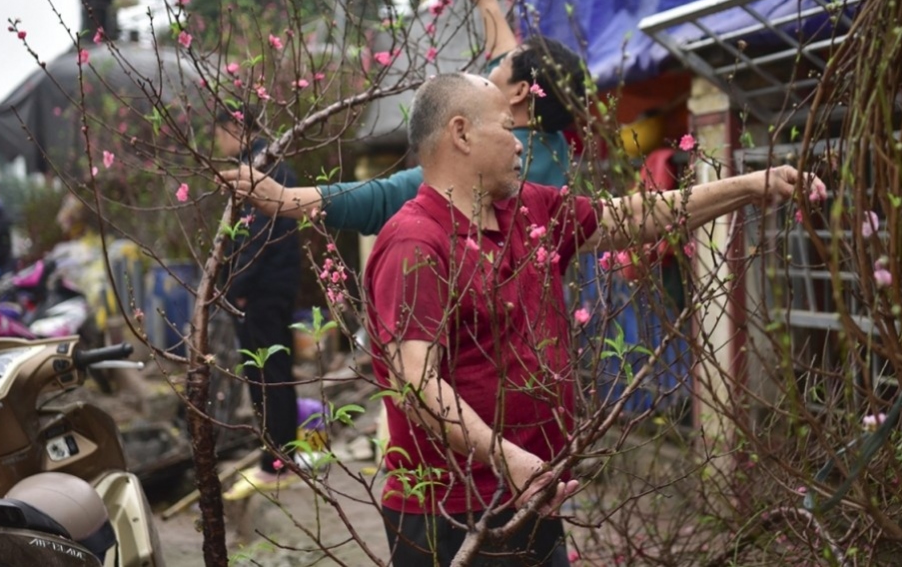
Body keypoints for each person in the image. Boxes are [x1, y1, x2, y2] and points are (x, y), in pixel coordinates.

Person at [351, 73, 823, 566]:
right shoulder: (415, 243)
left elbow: (631, 218)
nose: (520, 143)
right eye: (508, 128)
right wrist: (507, 458)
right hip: (451, 513)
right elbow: (418, 381)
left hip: (533, 488)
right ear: (462, 133)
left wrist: (748, 187)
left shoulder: (528, 208)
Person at [220, 0, 586, 234]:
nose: (492, 67)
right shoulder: (551, 145)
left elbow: (384, 197)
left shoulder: (490, 155)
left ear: (522, 92)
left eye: (502, 68)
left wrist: (285, 199)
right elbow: (508, 53)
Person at [214, 106, 305, 500]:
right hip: (267, 288)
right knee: (267, 373)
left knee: (268, 374)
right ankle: (278, 456)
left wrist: (236, 285)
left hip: (260, 291)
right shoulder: (261, 165)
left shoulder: (260, 171)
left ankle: (279, 460)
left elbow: (255, 240)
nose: (217, 141)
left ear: (237, 127)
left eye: (220, 131)